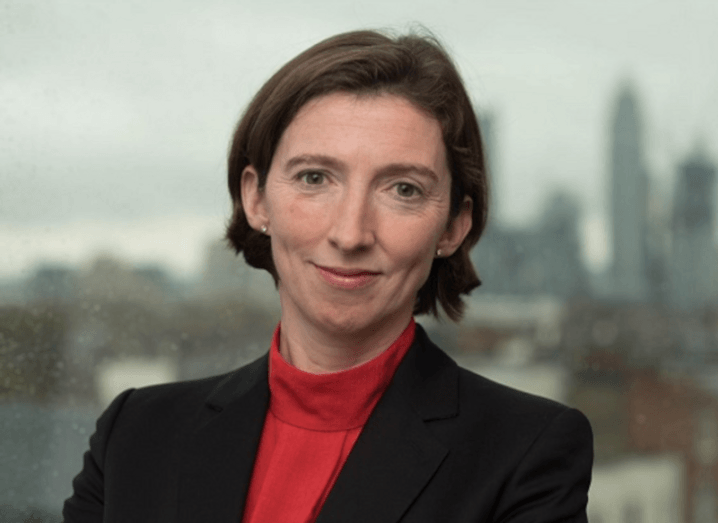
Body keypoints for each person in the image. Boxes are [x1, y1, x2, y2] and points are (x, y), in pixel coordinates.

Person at [63, 30, 593, 523]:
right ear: (256, 198)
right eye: (315, 178)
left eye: (403, 189)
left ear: (453, 226)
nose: (350, 232)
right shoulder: (135, 433)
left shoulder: (529, 452)